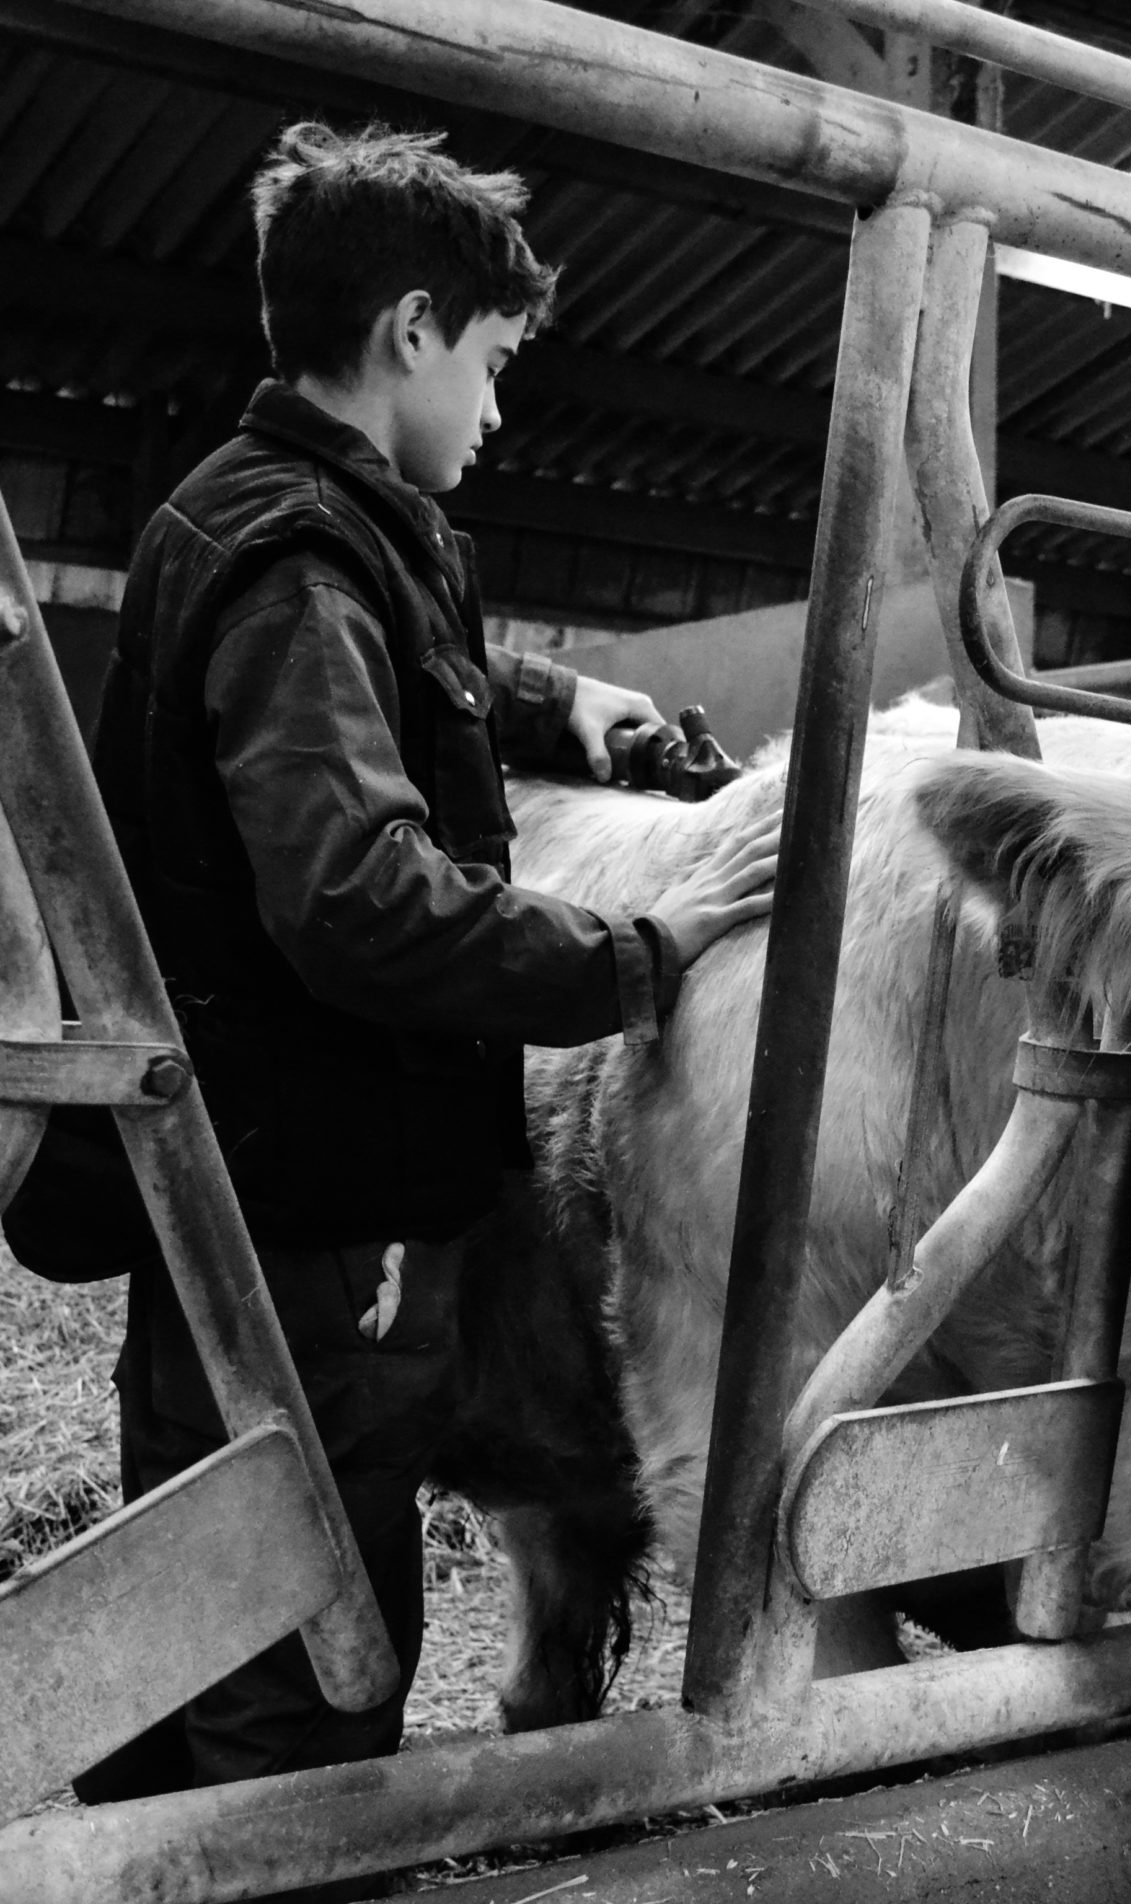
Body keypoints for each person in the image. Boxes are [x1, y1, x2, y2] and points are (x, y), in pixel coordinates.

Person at [73, 120, 781, 1805]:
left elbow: (412, 665)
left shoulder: (296, 524)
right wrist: (637, 953)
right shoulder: (302, 560)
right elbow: (357, 896)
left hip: (253, 1192)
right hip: (310, 1217)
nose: (498, 403)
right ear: (408, 331)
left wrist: (555, 704)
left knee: (216, 1588)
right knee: (303, 1659)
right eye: (491, 359)